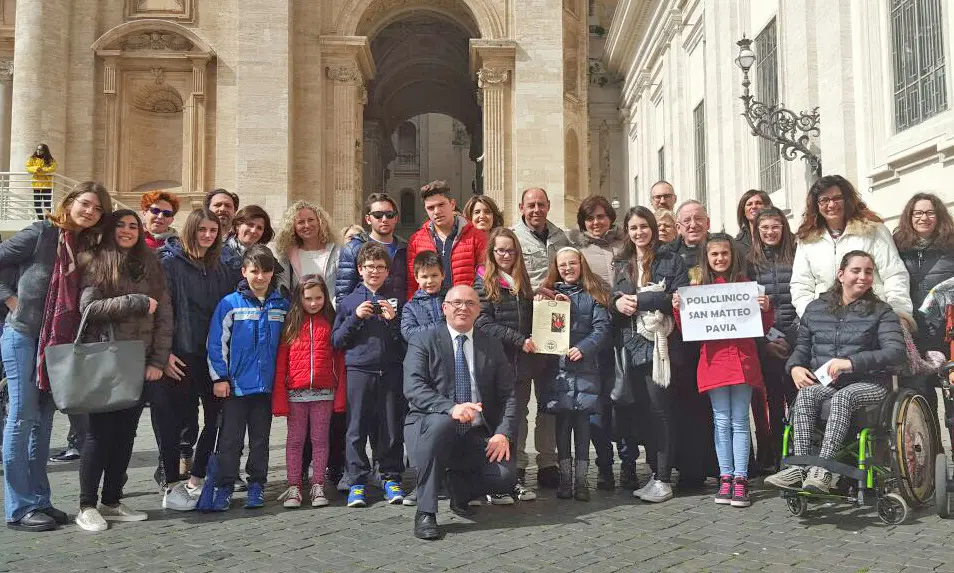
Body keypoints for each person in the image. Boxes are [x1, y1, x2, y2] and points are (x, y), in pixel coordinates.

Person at [0, 181, 112, 532]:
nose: (90, 211)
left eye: (97, 209)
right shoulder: (41, 233)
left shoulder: (86, 246)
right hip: (23, 336)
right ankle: (18, 508)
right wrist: (10, 299)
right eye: (86, 204)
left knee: (43, 422)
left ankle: (40, 500)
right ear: (70, 201)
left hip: (57, 344)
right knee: (21, 417)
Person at [765, 250, 906, 493]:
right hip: (828, 382)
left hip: (870, 383)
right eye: (856, 271)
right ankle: (800, 467)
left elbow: (895, 352)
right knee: (807, 395)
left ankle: (825, 470)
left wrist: (850, 362)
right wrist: (795, 367)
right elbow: (802, 348)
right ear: (841, 275)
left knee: (844, 397)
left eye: (869, 272)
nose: (863, 277)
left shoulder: (881, 311)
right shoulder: (815, 309)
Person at [73, 209, 173, 531]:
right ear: (111, 230)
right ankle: (86, 505)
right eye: (122, 225)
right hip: (107, 361)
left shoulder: (152, 264)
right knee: (98, 436)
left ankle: (112, 500)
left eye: (133, 226)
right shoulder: (98, 262)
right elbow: (88, 309)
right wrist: (136, 301)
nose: (128, 231)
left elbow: (165, 317)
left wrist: (158, 361)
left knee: (126, 436)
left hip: (140, 362)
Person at [403, 285, 517, 540]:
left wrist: (502, 433)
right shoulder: (424, 339)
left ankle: (458, 487)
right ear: (444, 308)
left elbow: (508, 394)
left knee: (505, 476)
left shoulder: (492, 344)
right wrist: (451, 408)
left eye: (470, 303)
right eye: (456, 303)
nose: (463, 308)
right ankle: (426, 512)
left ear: (478, 310)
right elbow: (413, 388)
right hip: (430, 425)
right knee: (441, 425)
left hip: (475, 431)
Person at [673, 233, 773, 507]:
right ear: (706, 258)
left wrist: (765, 309)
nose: (720, 259)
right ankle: (725, 476)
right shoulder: (699, 288)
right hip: (714, 361)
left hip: (742, 360)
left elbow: (761, 327)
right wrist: (680, 310)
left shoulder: (745, 286)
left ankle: (740, 479)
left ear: (733, 256)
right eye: (714, 254)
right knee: (721, 421)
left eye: (724, 254)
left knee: (739, 420)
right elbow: (688, 331)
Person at [157, 208, 238, 511]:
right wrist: (163, 353)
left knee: (216, 418)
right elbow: (162, 314)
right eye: (202, 230)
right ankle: (170, 485)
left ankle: (197, 476)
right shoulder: (169, 265)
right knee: (177, 424)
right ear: (191, 230)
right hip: (180, 354)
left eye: (213, 231)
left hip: (212, 355)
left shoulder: (221, 267)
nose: (208, 236)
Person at [610, 206, 688, 502]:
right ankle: (654, 473)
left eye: (644, 226)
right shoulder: (622, 262)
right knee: (643, 413)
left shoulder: (671, 259)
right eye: (633, 228)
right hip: (632, 344)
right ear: (627, 232)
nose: (639, 232)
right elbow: (613, 299)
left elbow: (679, 297)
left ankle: (665, 477)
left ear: (653, 228)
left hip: (662, 345)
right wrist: (617, 305)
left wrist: (641, 299)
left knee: (660, 411)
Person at [206, 245, 290, 511]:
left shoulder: (282, 305)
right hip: (236, 387)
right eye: (255, 271)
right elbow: (216, 344)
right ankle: (225, 486)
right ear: (244, 271)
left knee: (260, 440)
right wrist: (220, 378)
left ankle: (257, 484)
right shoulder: (230, 303)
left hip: (265, 387)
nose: (261, 276)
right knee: (230, 441)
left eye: (266, 271)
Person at [332, 242, 406, 507]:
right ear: (360, 269)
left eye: (380, 267)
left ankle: (390, 475)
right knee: (356, 428)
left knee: (390, 427)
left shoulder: (398, 298)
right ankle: (356, 480)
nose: (375, 271)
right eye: (370, 267)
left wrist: (393, 320)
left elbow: (406, 341)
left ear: (388, 271)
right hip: (359, 371)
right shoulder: (349, 301)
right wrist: (355, 317)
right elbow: (337, 340)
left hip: (390, 371)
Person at [538, 247, 610, 501]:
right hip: (557, 370)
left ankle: (581, 482)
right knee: (562, 426)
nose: (567, 268)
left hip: (584, 368)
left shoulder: (594, 293)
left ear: (581, 265)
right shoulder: (547, 295)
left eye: (572, 263)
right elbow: (542, 329)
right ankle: (565, 480)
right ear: (556, 268)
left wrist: (584, 348)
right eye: (562, 265)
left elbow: (601, 328)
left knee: (583, 427)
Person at [474, 227, 540, 503]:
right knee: (494, 423)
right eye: (500, 250)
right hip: (495, 364)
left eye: (510, 250)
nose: (505, 255)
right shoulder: (482, 282)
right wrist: (518, 339)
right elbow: (483, 322)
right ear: (492, 252)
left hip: (521, 366)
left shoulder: (521, 282)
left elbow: (532, 317)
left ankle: (513, 480)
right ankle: (493, 481)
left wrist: (545, 300)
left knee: (516, 422)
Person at [511, 187, 570, 488]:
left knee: (548, 400)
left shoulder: (561, 238)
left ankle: (547, 460)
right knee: (520, 401)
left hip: (552, 327)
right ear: (521, 207)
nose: (536, 210)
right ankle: (519, 460)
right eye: (531, 205)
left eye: (541, 205)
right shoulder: (511, 238)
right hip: (522, 326)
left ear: (549, 206)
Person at [791, 175, 912, 320]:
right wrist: (811, 317)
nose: (831, 205)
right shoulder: (808, 239)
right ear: (816, 205)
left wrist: (899, 315)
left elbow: (894, 275)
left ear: (847, 199)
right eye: (824, 200)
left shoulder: (873, 231)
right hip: (825, 321)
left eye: (837, 198)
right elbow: (801, 285)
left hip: (870, 317)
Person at [273, 274, 347, 509]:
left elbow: (339, 361)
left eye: (318, 298)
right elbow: (282, 361)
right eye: (308, 298)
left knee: (320, 440)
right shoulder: (291, 323)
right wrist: (280, 398)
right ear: (299, 298)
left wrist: (340, 396)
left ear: (325, 297)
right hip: (296, 393)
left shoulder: (331, 322)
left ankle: (318, 485)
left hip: (324, 393)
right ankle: (294, 485)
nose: (313, 303)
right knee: (295, 441)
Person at [566, 195, 622, 490]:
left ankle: (626, 461)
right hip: (594, 332)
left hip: (626, 330)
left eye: (602, 216)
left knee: (623, 398)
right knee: (598, 401)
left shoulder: (623, 246)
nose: (597, 222)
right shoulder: (577, 250)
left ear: (610, 218)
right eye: (591, 218)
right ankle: (604, 466)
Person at [666, 199, 719, 488]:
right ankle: (690, 469)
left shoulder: (723, 249)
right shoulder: (669, 255)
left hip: (718, 341)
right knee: (687, 407)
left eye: (698, 219)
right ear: (677, 227)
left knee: (719, 406)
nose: (692, 225)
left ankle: (726, 466)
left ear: (707, 222)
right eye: (686, 220)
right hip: (684, 343)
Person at [746, 207, 798, 473]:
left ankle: (799, 453)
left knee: (798, 399)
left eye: (775, 226)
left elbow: (805, 296)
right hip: (766, 340)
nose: (770, 232)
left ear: (783, 228)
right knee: (774, 403)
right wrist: (764, 340)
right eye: (764, 228)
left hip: (796, 336)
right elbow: (745, 309)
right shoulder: (749, 262)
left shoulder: (797, 254)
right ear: (757, 231)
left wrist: (793, 336)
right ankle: (777, 455)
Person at [894, 192, 954, 417]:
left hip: (947, 333)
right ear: (909, 217)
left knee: (952, 396)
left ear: (938, 216)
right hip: (915, 334)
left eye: (930, 212)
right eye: (918, 213)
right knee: (922, 400)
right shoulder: (898, 248)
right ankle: (932, 450)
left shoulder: (951, 246)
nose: (924, 218)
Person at [406, 180, 487, 300]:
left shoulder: (476, 236)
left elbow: (485, 277)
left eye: (441, 205)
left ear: (452, 204)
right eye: (431, 208)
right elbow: (413, 282)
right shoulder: (416, 240)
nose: (437, 211)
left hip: (465, 310)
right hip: (430, 313)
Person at [336, 193, 408, 306]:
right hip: (364, 319)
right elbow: (343, 296)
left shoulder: (405, 249)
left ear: (396, 218)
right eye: (378, 215)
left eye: (389, 215)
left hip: (397, 319)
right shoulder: (353, 248)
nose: (384, 219)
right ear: (368, 219)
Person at [276, 200, 341, 296]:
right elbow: (282, 289)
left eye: (311, 220)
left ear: (320, 222)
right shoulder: (287, 257)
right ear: (293, 227)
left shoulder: (337, 252)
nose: (307, 225)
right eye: (301, 222)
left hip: (332, 310)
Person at [402, 251, 447, 341]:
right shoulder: (411, 307)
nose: (430, 281)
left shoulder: (452, 300)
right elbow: (408, 333)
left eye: (434, 275)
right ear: (416, 278)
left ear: (442, 275)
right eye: (424, 277)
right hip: (425, 353)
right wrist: (439, 327)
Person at [734, 189, 772, 258]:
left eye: (758, 203)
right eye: (749, 204)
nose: (754, 206)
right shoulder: (736, 244)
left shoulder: (780, 237)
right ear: (743, 212)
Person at [26, 144, 57, 220]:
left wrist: (42, 170)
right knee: (37, 204)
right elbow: (28, 167)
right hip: (36, 185)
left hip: (47, 184)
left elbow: (53, 168)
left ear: (45, 151)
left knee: (47, 204)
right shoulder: (32, 158)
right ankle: (40, 219)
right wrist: (36, 168)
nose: (38, 151)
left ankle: (47, 220)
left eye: (41, 150)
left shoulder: (50, 159)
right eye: (37, 149)